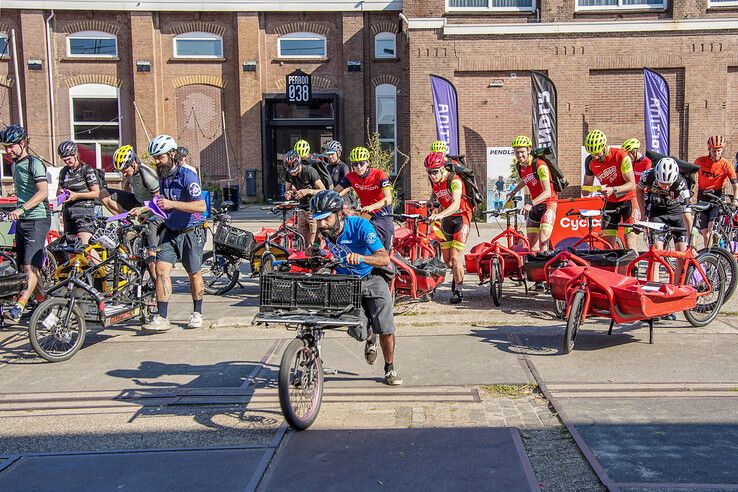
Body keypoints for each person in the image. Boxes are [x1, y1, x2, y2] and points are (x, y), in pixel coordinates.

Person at [309, 190, 402, 386]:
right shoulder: (324, 230)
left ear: (339, 214)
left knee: (385, 326)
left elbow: (384, 258)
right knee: (358, 331)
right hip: (347, 283)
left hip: (372, 276)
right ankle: (369, 336)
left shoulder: (361, 226)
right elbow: (317, 244)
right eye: (318, 220)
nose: (321, 224)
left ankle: (389, 368)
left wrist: (361, 257)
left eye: (325, 219)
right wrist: (314, 250)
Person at [143, 134, 207, 332]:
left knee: (193, 273)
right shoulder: (163, 177)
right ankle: (162, 317)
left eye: (160, 157)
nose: (157, 161)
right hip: (171, 231)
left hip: (191, 231)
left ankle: (197, 312)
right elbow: (162, 203)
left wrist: (172, 204)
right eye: (155, 157)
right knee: (161, 270)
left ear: (172, 154)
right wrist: (146, 212)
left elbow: (201, 205)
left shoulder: (188, 176)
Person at [0, 124, 51, 321]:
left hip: (37, 218)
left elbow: (43, 192)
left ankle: (20, 305)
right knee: (26, 269)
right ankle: (46, 311)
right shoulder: (14, 165)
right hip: (22, 220)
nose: (8, 150)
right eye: (6, 147)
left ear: (22, 143)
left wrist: (21, 208)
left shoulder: (34, 163)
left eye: (11, 146)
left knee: (30, 268)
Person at [99, 144, 161, 280]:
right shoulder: (129, 173)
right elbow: (127, 186)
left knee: (151, 253)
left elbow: (159, 201)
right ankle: (126, 220)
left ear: (133, 163)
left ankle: (157, 286)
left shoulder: (147, 175)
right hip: (137, 202)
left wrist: (143, 210)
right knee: (103, 193)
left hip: (153, 210)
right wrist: (125, 203)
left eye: (125, 170)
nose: (123, 173)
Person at [505, 135, 558, 290]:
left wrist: (530, 203)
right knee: (532, 244)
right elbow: (526, 179)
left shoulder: (540, 165)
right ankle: (539, 280)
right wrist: (514, 191)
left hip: (548, 204)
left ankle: (551, 279)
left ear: (529, 150)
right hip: (535, 207)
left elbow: (548, 192)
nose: (519, 155)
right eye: (516, 152)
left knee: (543, 241)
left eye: (522, 152)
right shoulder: (521, 167)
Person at [424, 151, 472, 305]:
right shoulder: (434, 181)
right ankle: (457, 275)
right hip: (447, 219)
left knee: (456, 257)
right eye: (429, 172)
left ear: (443, 168)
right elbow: (437, 194)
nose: (432, 176)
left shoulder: (455, 180)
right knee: (448, 261)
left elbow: (456, 204)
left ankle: (458, 290)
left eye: (435, 172)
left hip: (461, 217)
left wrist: (439, 215)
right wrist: (432, 202)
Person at [582, 129, 638, 249]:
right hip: (610, 202)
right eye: (592, 154)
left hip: (628, 200)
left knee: (629, 240)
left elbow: (631, 184)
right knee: (607, 243)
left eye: (597, 153)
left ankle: (634, 267)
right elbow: (585, 189)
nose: (595, 157)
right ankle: (609, 267)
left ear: (604, 146)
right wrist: (592, 189)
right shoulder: (589, 161)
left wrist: (613, 189)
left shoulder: (621, 155)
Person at [636, 157, 692, 274]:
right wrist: (643, 213)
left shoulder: (681, 183)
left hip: (677, 213)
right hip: (658, 213)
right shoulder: (647, 176)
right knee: (656, 255)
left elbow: (687, 214)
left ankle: (677, 289)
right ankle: (654, 289)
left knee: (681, 256)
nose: (665, 187)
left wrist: (691, 240)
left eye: (668, 184)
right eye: (662, 183)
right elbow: (639, 190)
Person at [333, 146, 394, 251]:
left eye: (362, 163)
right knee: (361, 241)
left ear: (368, 163)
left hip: (382, 213)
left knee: (385, 248)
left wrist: (371, 206)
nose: (359, 167)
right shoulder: (351, 177)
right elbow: (334, 192)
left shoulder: (379, 175)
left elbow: (388, 199)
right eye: (355, 164)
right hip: (366, 214)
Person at [694, 135, 738, 248]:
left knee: (711, 229)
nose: (716, 153)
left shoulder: (726, 164)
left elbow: (735, 185)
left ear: (722, 150)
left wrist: (735, 200)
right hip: (702, 197)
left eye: (719, 150)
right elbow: (690, 176)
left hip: (716, 197)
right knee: (705, 234)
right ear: (709, 149)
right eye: (714, 150)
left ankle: (713, 255)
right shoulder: (700, 161)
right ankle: (708, 258)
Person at [56, 141, 100, 247]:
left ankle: (96, 264)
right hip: (68, 212)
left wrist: (76, 195)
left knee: (83, 246)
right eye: (64, 160)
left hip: (84, 211)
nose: (67, 162)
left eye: (69, 159)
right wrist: (61, 192)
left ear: (75, 154)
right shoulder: (64, 172)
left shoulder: (86, 170)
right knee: (72, 247)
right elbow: (59, 190)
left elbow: (96, 193)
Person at [283, 149, 326, 250]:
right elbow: (288, 191)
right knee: (303, 240)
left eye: (295, 170)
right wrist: (289, 194)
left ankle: (315, 258)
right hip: (302, 209)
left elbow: (323, 190)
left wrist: (307, 191)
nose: (293, 173)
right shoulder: (288, 174)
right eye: (290, 171)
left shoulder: (310, 171)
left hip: (314, 209)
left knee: (313, 240)